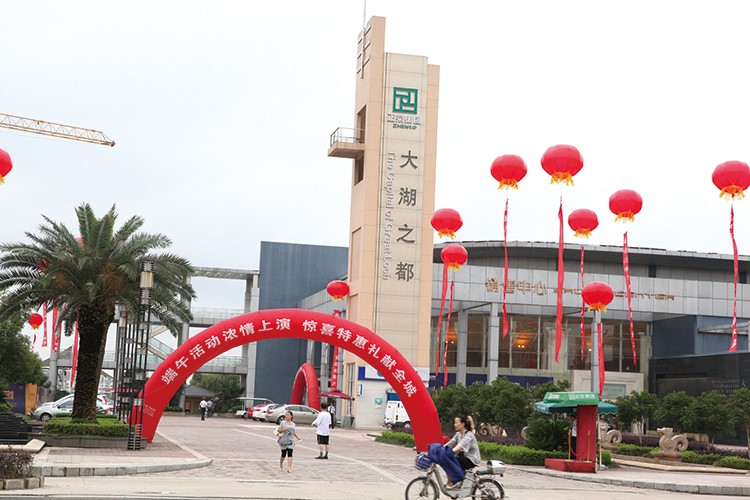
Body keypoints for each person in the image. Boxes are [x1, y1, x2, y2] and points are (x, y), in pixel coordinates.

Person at [444, 415, 480, 489]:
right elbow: (451, 443)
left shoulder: (469, 435)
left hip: (471, 459)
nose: (455, 425)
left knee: (450, 462)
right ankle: (450, 482)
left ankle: (454, 482)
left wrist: (452, 451)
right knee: (446, 461)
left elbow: (461, 445)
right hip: (463, 456)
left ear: (463, 424)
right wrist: (440, 448)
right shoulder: (458, 434)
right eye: (454, 423)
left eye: (457, 423)